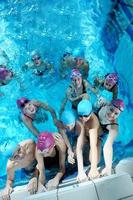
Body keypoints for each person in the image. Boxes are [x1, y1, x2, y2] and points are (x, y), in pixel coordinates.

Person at [96, 99, 124, 176]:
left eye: (116, 114)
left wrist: (108, 169)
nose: (112, 115)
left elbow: (107, 147)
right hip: (95, 120)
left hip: (102, 132)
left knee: (96, 159)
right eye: (111, 110)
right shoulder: (103, 104)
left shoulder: (114, 126)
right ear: (108, 105)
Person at [76, 99, 100, 182]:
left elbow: (93, 146)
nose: (83, 118)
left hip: (97, 137)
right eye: (80, 115)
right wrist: (80, 171)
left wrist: (93, 169)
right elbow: (79, 147)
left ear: (91, 112)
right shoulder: (80, 119)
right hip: (86, 136)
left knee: (94, 161)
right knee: (75, 151)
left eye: (86, 116)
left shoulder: (94, 122)